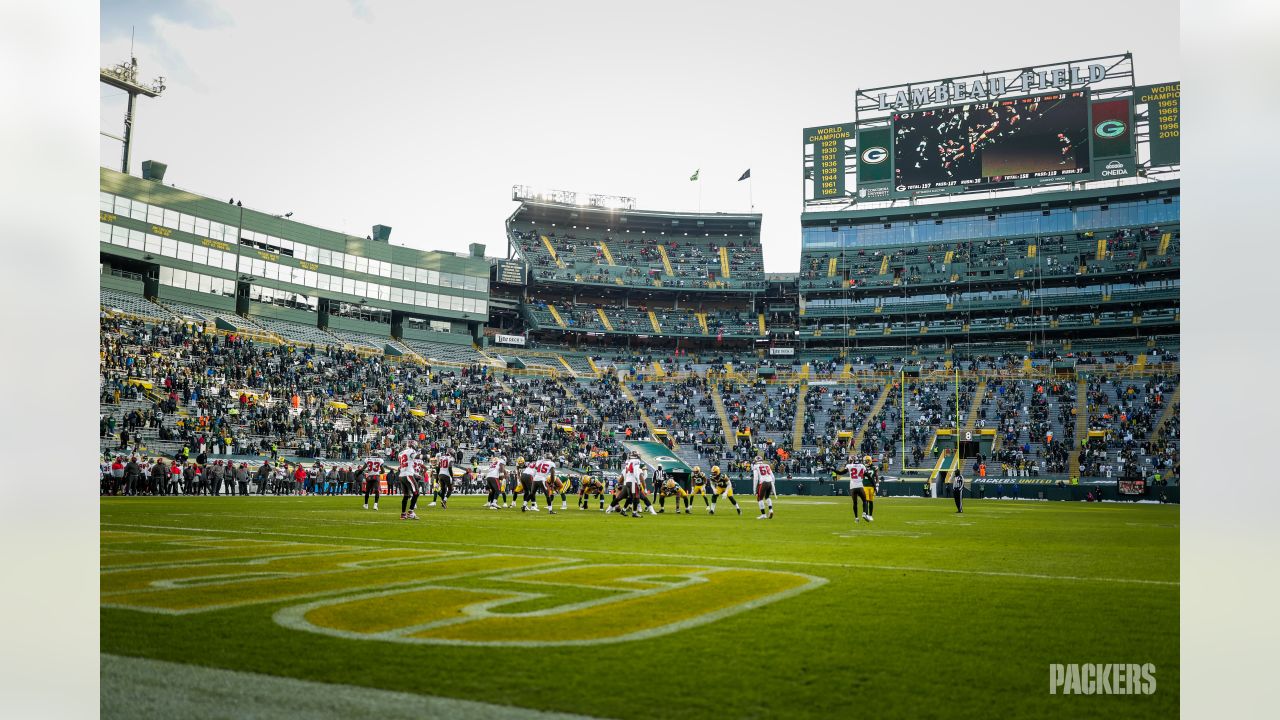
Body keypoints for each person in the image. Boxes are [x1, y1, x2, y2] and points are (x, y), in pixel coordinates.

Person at [397, 440, 421, 520]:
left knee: (406, 495)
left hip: (402, 475)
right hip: (408, 474)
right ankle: (410, 512)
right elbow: (416, 457)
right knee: (416, 493)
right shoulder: (411, 451)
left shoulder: (401, 453)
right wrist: (425, 456)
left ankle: (403, 514)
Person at [845, 453, 871, 523]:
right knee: (865, 500)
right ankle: (864, 513)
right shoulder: (862, 465)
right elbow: (867, 474)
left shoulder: (849, 466)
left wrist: (833, 469)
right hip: (859, 485)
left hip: (852, 487)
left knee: (855, 503)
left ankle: (856, 518)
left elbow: (842, 472)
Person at [751, 453, 776, 520]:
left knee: (759, 498)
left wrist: (754, 490)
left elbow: (755, 479)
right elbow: (773, 477)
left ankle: (763, 515)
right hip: (770, 482)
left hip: (763, 482)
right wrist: (773, 485)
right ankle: (771, 510)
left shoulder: (756, 466)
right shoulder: (767, 465)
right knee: (767, 497)